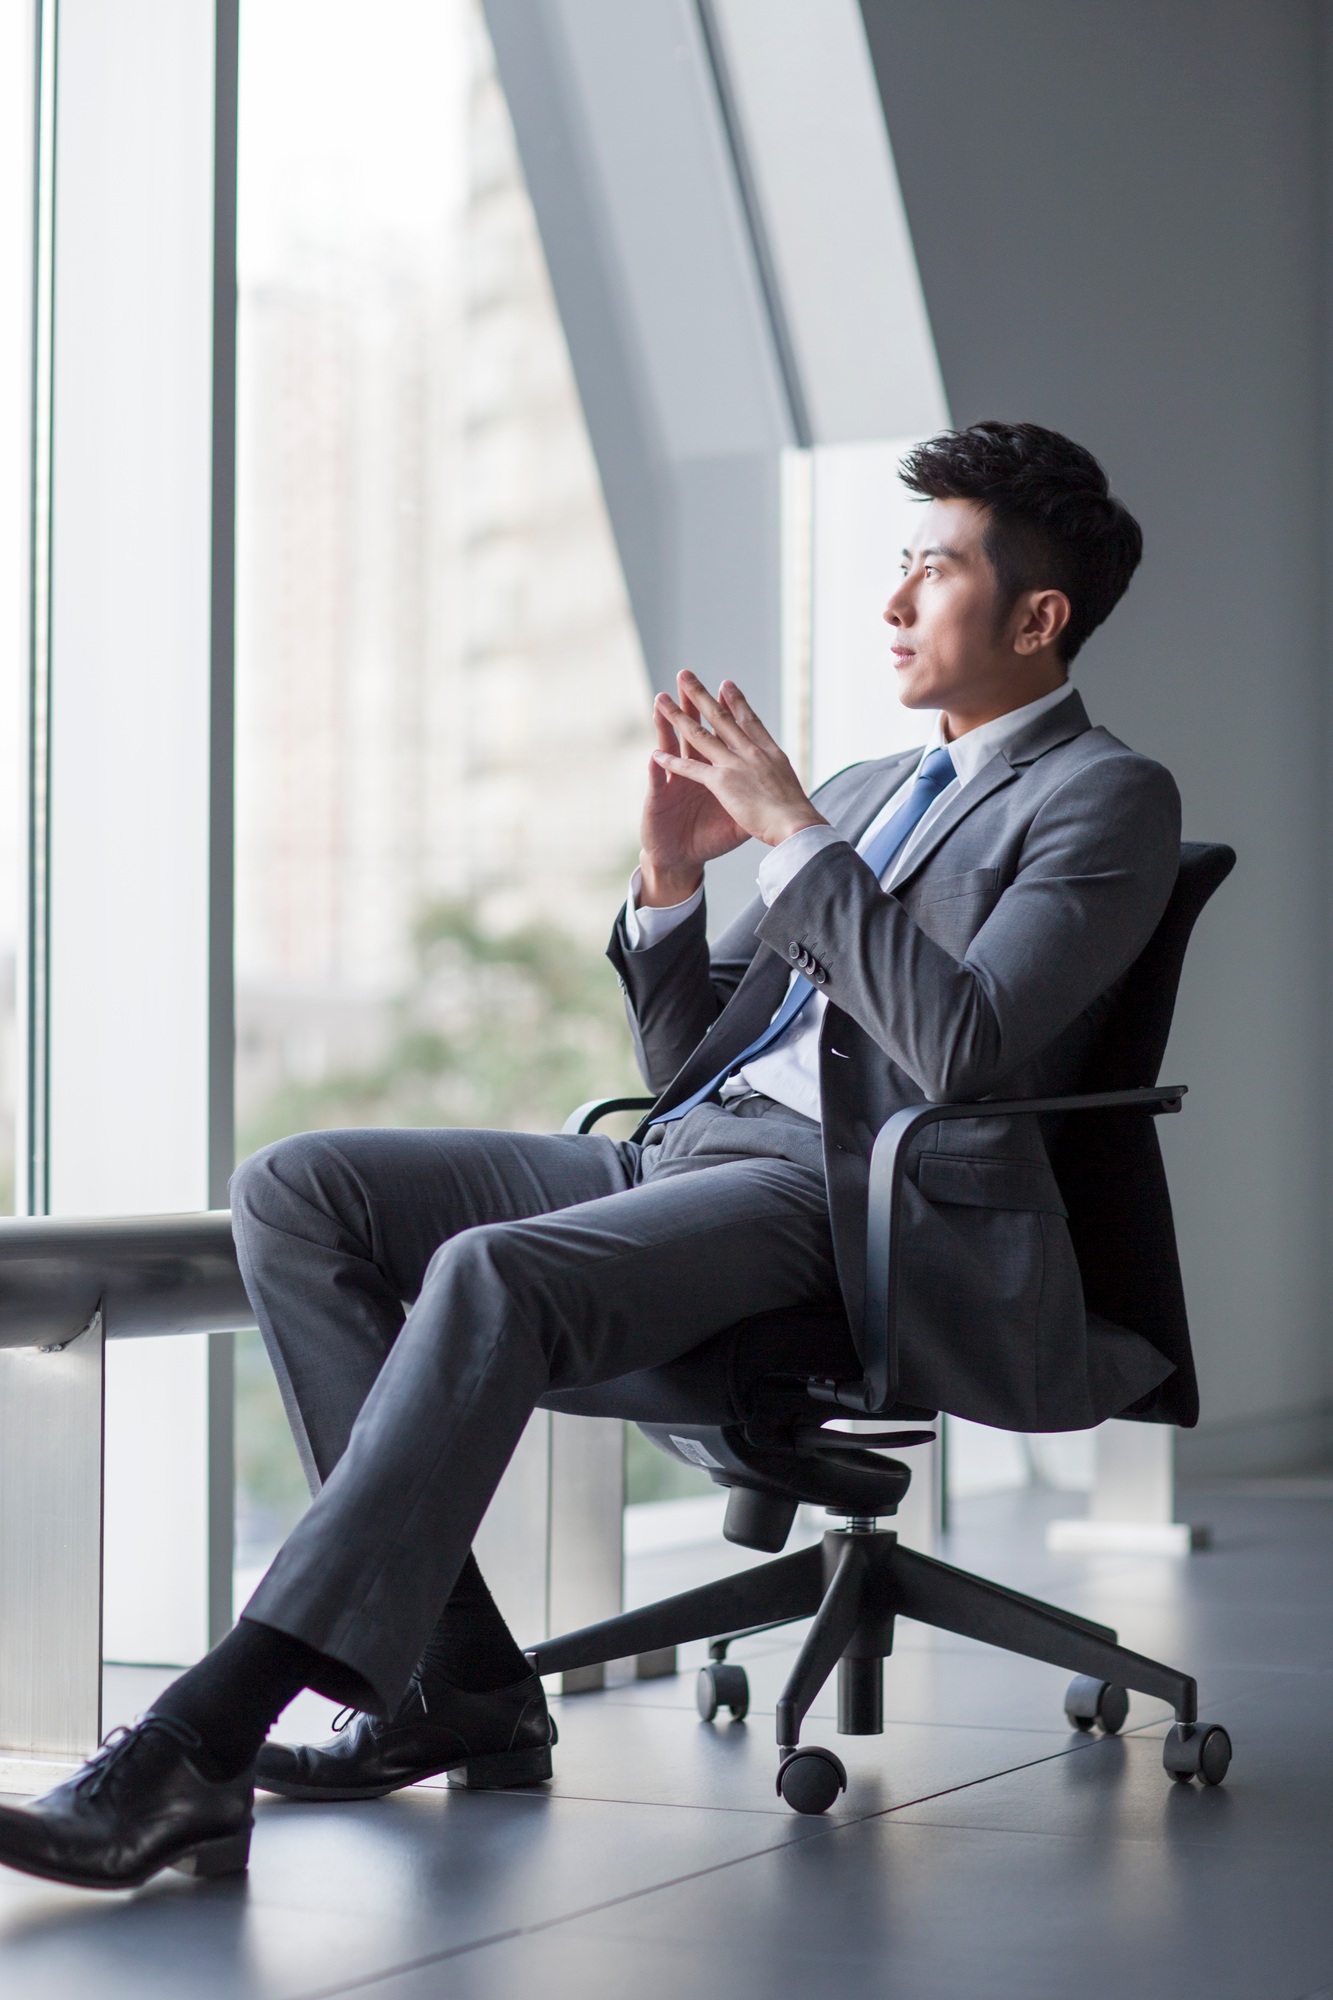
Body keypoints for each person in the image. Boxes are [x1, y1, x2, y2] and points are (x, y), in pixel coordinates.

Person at [0, 420, 1181, 1890]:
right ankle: (459, 1682)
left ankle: (200, 1739)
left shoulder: (1103, 799)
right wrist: (675, 880)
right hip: (690, 1153)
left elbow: (965, 1050)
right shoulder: (881, 786)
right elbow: (687, 1055)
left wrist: (794, 835)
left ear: (1036, 614)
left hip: (841, 1199)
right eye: (896, 568)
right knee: (299, 1190)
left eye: (928, 573)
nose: (890, 605)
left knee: (495, 1273)